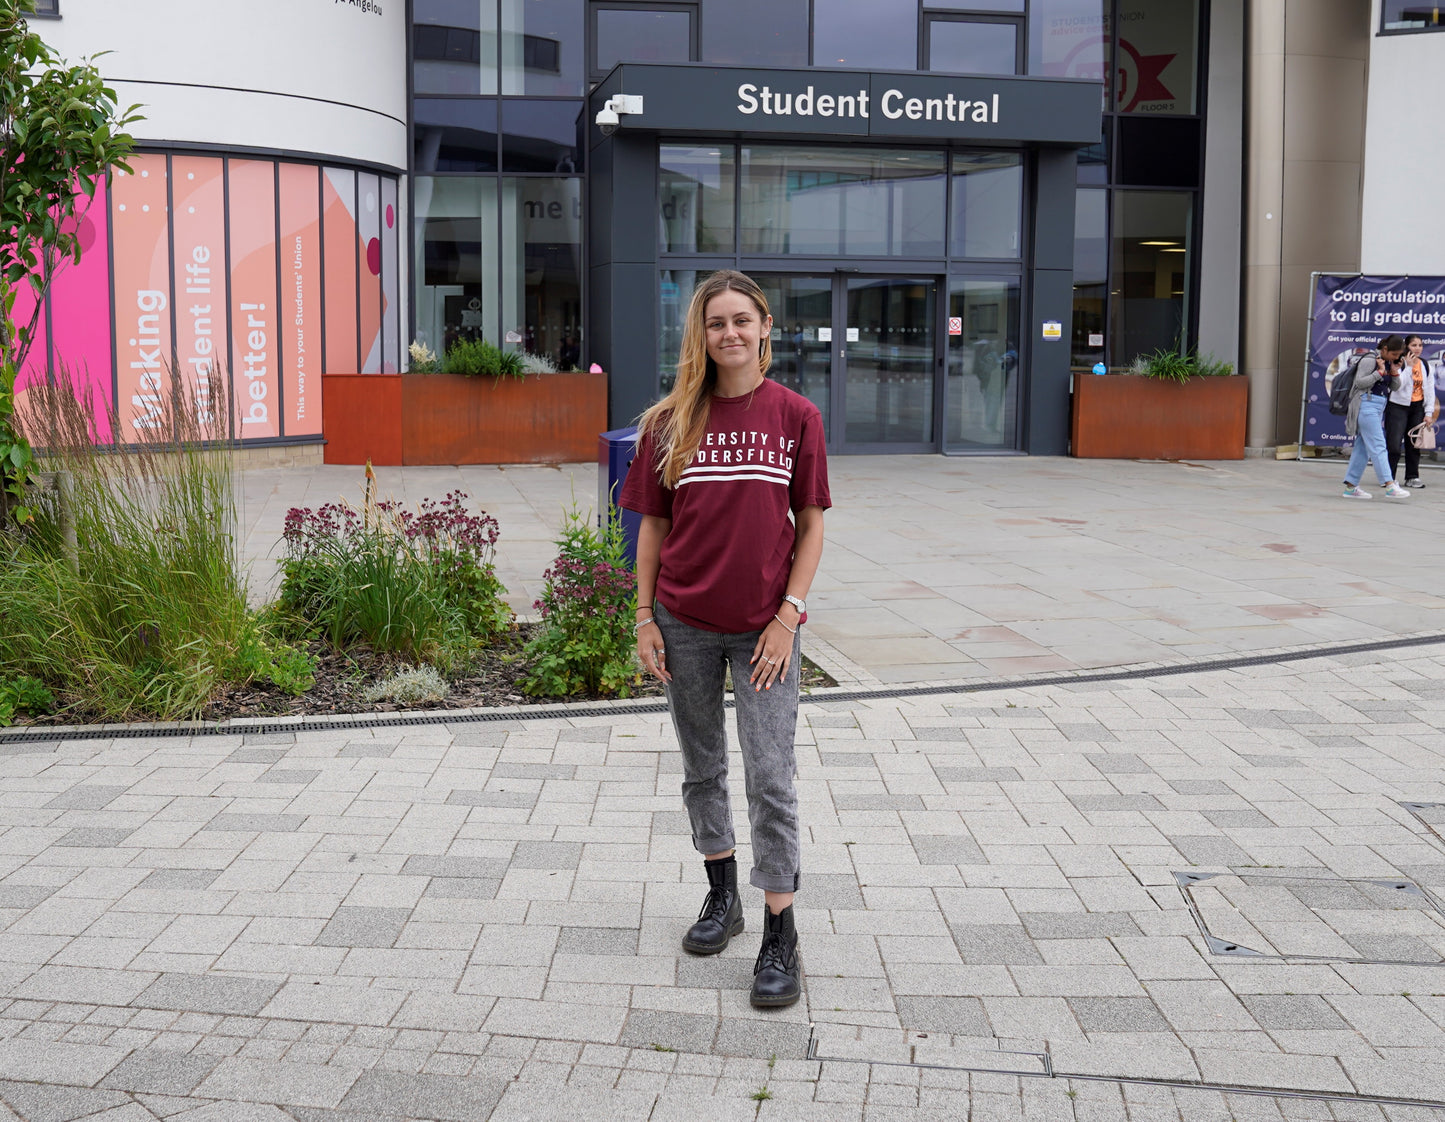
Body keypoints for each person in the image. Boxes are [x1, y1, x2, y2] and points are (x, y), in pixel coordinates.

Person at [620, 270, 829, 1010]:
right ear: (700, 336)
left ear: (765, 326)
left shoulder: (796, 416)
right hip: (683, 622)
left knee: (770, 775)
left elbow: (810, 525)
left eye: (743, 320)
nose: (730, 334)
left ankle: (780, 932)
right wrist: (643, 615)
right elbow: (652, 525)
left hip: (765, 628)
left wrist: (787, 616)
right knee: (701, 766)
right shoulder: (669, 421)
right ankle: (722, 896)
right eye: (716, 324)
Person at [1342, 334, 1411, 500]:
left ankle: (1351, 487)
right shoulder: (1370, 360)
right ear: (1385, 349)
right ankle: (1389, 484)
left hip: (1378, 406)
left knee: (1363, 448)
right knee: (1379, 445)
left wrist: (1394, 371)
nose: (1396, 357)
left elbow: (1395, 387)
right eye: (1394, 354)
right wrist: (1379, 372)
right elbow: (1359, 382)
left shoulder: (1388, 362)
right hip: (1366, 404)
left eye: (1398, 355)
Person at [1385, 333, 1438, 488]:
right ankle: (1389, 477)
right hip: (1397, 406)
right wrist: (1408, 367)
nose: (1418, 348)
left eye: (1420, 345)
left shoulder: (1425, 365)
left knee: (1414, 444)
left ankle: (1412, 477)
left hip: (1417, 408)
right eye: (1414, 345)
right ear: (1406, 347)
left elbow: (1429, 391)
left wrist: (1428, 413)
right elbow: (1398, 385)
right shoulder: (1399, 362)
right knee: (1394, 445)